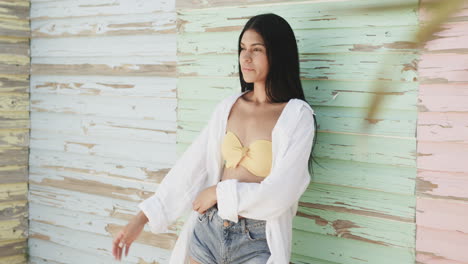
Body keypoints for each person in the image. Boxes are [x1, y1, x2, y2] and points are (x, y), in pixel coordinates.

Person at [112, 13, 317, 263]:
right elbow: (191, 168)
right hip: (207, 231)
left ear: (278, 54)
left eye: (257, 49)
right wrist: (141, 219)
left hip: (257, 241)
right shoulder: (229, 107)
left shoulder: (297, 116)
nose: (246, 57)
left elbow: (281, 193)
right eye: (242, 48)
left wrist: (220, 192)